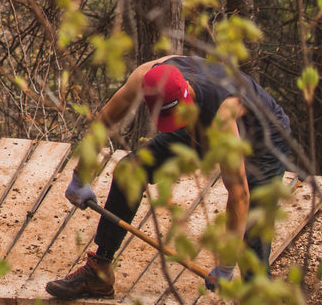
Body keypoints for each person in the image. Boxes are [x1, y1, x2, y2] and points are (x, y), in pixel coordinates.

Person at [46, 55, 291, 299]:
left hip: (264, 138)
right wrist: (80, 176)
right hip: (198, 120)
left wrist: (226, 266)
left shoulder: (223, 114)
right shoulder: (145, 76)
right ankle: (99, 273)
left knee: (254, 227)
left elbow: (239, 194)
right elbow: (104, 122)